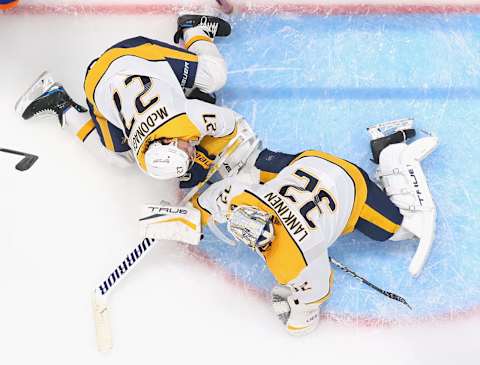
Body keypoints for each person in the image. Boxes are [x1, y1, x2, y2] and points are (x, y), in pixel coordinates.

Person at [192, 119, 438, 336]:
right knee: (254, 167)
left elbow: (310, 309)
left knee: (397, 229)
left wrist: (299, 318)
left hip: (352, 181)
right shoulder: (245, 201)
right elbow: (211, 200)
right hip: (310, 161)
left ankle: (391, 153)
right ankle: (245, 155)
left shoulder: (290, 259)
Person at [15, 13, 257, 187]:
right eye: (191, 153)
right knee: (120, 159)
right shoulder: (148, 157)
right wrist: (200, 156)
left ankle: (193, 28)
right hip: (97, 79)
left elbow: (231, 123)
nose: (191, 149)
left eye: (186, 151)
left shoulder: (186, 122)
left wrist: (204, 158)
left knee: (213, 77)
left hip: (125, 63)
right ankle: (60, 103)